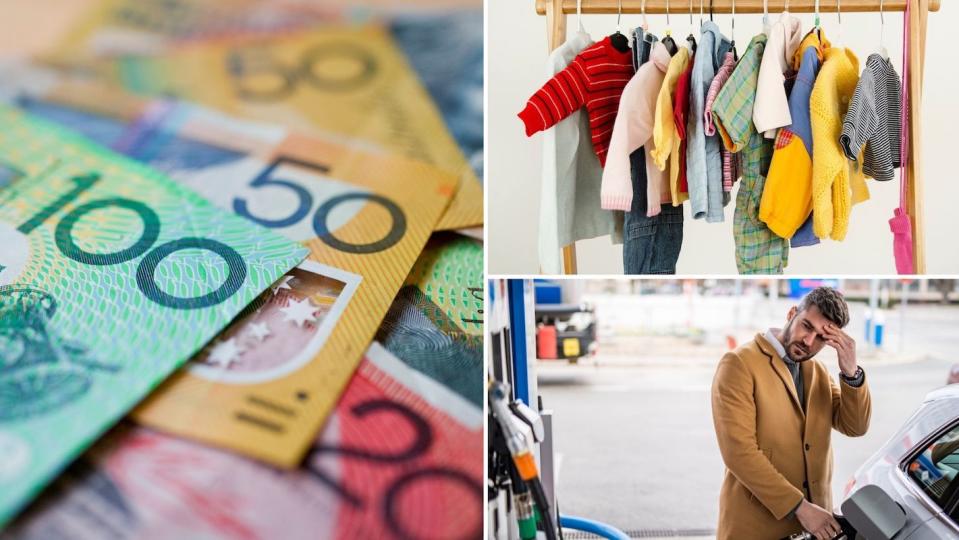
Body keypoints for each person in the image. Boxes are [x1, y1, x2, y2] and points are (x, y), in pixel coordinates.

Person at [711, 286, 871, 540]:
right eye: (807, 326)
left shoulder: (817, 371)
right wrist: (799, 507)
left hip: (814, 528)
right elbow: (738, 452)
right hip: (757, 527)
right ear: (791, 313)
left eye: (821, 337)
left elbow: (855, 426)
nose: (809, 341)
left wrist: (851, 373)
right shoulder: (739, 363)